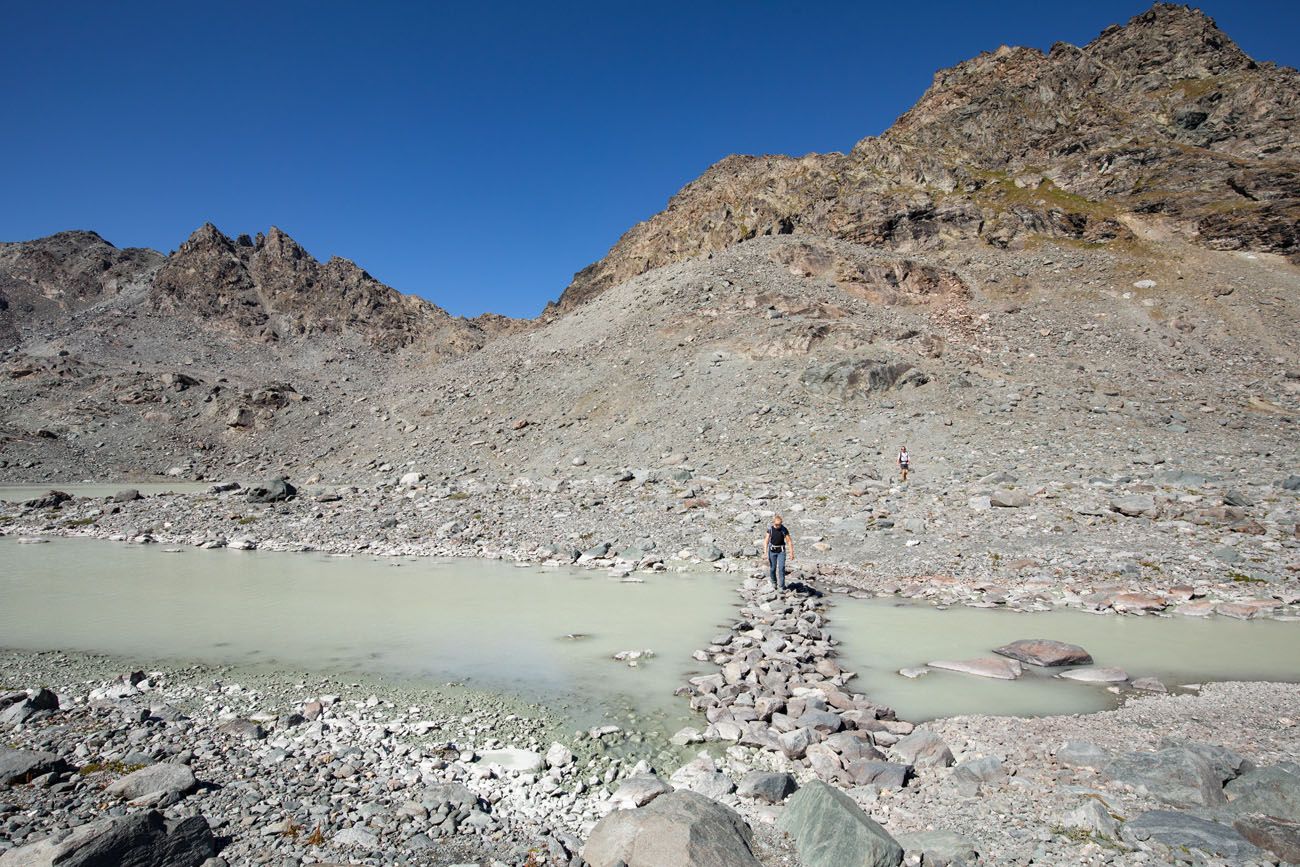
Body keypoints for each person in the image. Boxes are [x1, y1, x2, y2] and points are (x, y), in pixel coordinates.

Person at [763, 514, 793, 591]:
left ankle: (781, 586)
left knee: (781, 568)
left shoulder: (784, 530)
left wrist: (791, 553)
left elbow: (789, 541)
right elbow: (766, 541)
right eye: (776, 524)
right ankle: (774, 582)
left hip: (781, 551)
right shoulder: (770, 529)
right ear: (773, 523)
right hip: (772, 551)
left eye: (779, 524)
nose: (778, 526)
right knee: (773, 568)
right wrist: (765, 552)